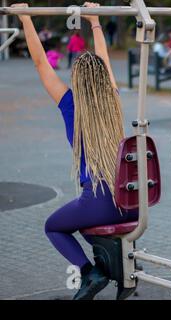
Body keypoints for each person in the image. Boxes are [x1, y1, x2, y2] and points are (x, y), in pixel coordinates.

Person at [13, 2, 138, 300]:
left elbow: (41, 64)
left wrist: (25, 18)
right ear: (103, 81)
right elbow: (104, 61)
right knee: (84, 225)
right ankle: (116, 272)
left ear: (77, 81)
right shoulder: (113, 101)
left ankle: (90, 273)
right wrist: (95, 21)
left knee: (54, 227)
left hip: (99, 201)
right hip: (131, 200)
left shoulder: (71, 105)